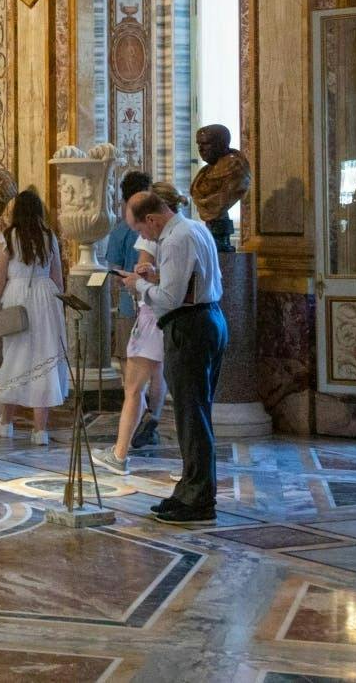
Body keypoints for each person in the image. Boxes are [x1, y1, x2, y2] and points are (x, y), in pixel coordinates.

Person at [121, 187, 225, 524]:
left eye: (140, 229)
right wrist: (157, 277)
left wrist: (138, 285)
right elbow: (197, 280)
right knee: (194, 414)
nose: (144, 237)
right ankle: (189, 491)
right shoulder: (194, 228)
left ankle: (199, 500)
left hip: (190, 327)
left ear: (151, 219)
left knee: (192, 416)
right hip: (207, 318)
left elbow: (169, 299)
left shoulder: (177, 239)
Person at [0, 188, 70, 444]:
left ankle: (6, 423)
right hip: (46, 297)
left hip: (17, 298)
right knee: (45, 357)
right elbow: (57, 277)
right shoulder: (49, 236)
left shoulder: (8, 238)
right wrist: (60, 309)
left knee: (16, 358)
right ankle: (40, 431)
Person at [95, 171, 160, 458]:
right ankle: (152, 419)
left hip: (131, 305)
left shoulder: (122, 230)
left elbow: (114, 269)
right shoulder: (161, 230)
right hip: (157, 309)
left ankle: (135, 424)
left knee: (130, 373)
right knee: (157, 370)